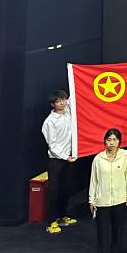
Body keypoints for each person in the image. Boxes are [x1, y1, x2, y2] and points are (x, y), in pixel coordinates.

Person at [88, 128, 127, 253]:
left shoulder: (125, 156)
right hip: (103, 200)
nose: (111, 142)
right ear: (105, 141)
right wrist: (91, 200)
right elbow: (94, 180)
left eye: (114, 140)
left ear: (119, 141)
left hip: (119, 199)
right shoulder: (98, 159)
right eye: (109, 140)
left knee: (117, 229)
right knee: (103, 230)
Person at [42, 90, 77, 235]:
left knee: (66, 188)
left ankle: (62, 216)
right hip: (56, 160)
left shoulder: (68, 111)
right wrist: (65, 157)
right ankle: (51, 221)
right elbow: (52, 145)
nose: (62, 103)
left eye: (63, 100)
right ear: (53, 104)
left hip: (69, 158)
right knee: (54, 191)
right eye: (58, 101)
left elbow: (74, 96)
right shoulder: (50, 122)